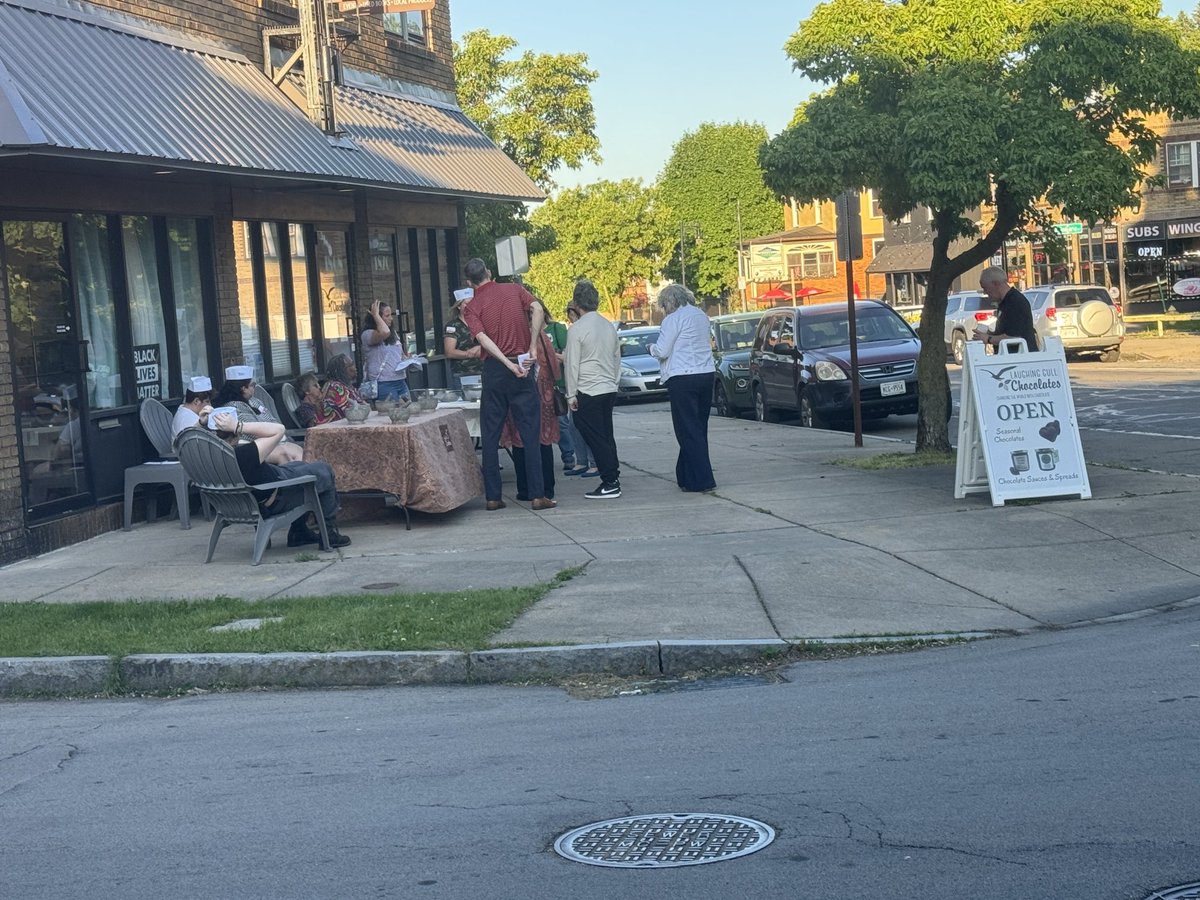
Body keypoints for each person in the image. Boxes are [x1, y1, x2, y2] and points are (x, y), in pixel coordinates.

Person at [460, 257, 555, 511]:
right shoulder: (514, 290)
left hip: (494, 369)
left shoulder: (472, 307)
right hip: (521, 364)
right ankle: (538, 494)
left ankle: (493, 496)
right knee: (530, 431)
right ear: (489, 273)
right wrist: (532, 344)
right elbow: (536, 308)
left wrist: (503, 362)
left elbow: (482, 338)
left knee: (490, 434)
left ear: (469, 282)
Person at [205, 408, 350, 549]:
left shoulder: (204, 457)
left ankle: (299, 532)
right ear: (236, 436)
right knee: (324, 470)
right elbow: (279, 429)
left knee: (299, 465)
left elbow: (184, 439)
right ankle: (329, 534)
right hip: (276, 497)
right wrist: (238, 425)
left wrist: (200, 423)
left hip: (246, 501)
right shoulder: (242, 455)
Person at [649, 283, 716, 493]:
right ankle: (685, 474)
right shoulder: (701, 316)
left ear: (669, 302)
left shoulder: (673, 319)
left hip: (682, 376)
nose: (664, 310)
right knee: (698, 427)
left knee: (686, 429)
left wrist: (650, 348)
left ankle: (702, 479)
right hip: (706, 373)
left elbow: (662, 350)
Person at [565, 280, 622, 499]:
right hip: (608, 387)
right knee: (606, 435)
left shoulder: (577, 329)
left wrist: (571, 394)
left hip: (587, 388)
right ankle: (612, 475)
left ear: (577, 303)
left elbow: (572, 364)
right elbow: (617, 357)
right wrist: (614, 382)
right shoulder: (608, 325)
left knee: (593, 436)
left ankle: (609, 481)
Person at [501, 315, 561, 502]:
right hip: (543, 393)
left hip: (519, 392)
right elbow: (553, 366)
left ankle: (526, 488)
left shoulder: (508, 336)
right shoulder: (540, 336)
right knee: (543, 440)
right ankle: (546, 488)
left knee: (520, 439)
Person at [213, 365, 303, 463]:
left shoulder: (255, 401)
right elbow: (254, 434)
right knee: (286, 454)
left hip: (273, 440)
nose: (254, 388)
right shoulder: (233, 408)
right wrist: (273, 431)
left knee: (297, 450)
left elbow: (273, 421)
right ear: (243, 388)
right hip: (252, 447)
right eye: (252, 385)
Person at [562, 304, 598, 478]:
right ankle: (582, 460)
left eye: (573, 315)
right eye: (569, 316)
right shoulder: (574, 330)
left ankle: (593, 462)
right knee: (573, 425)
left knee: (587, 425)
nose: (571, 319)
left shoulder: (582, 330)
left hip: (586, 384)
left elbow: (573, 360)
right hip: (577, 384)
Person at [976, 267, 1040, 352]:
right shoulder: (1004, 302)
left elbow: (1014, 337)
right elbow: (1006, 332)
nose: (985, 292)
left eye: (985, 287)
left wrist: (988, 338)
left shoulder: (1015, 302)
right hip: (1011, 358)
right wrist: (988, 334)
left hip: (1021, 359)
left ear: (996, 284)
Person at [544, 306, 575, 473]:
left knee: (562, 421)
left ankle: (569, 455)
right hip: (538, 383)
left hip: (558, 382)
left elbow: (567, 354)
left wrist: (550, 354)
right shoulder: (527, 331)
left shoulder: (556, 328)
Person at [361, 300, 411, 401]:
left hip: (400, 380)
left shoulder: (393, 334)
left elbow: (399, 354)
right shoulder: (368, 334)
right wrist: (375, 315)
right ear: (377, 317)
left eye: (391, 315)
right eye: (387, 316)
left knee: (408, 410)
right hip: (383, 383)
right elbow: (384, 332)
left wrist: (408, 359)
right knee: (390, 412)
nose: (391, 319)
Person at [443, 289, 484, 389]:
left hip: (484, 371)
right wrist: (470, 354)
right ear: (458, 306)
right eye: (466, 303)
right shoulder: (452, 326)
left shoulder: (481, 322)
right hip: (463, 373)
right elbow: (449, 352)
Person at [318, 354, 365, 423]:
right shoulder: (335, 387)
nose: (355, 367)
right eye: (351, 365)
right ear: (342, 370)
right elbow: (352, 412)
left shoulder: (347, 386)